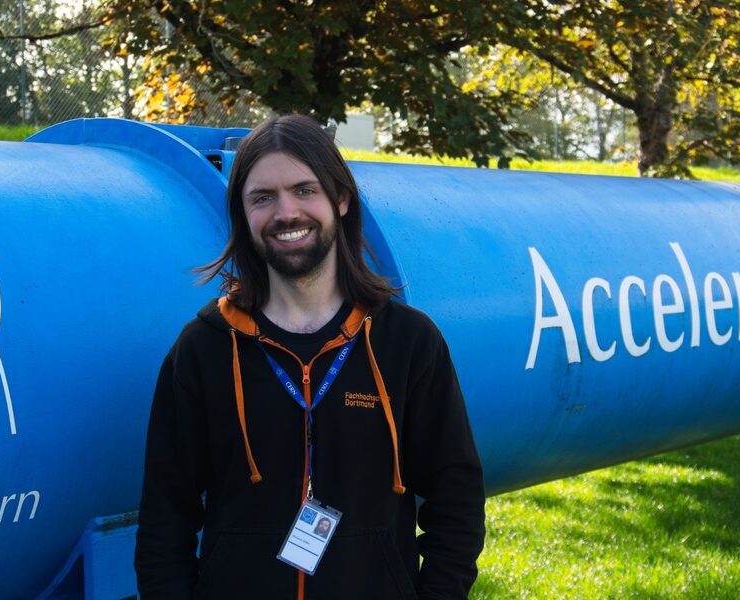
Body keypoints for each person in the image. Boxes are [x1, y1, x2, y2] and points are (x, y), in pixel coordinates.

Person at [134, 114, 485, 599]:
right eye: (263, 197)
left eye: (304, 190)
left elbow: (457, 499)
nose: (286, 213)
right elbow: (163, 520)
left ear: (340, 199)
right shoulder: (204, 349)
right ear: (242, 214)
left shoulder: (408, 343)